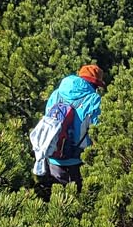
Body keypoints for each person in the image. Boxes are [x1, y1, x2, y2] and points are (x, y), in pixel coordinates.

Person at [39, 64, 104, 199]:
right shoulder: (94, 100)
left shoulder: (57, 93)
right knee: (80, 201)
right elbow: (99, 132)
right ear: (95, 84)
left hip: (53, 157)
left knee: (59, 203)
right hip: (79, 160)